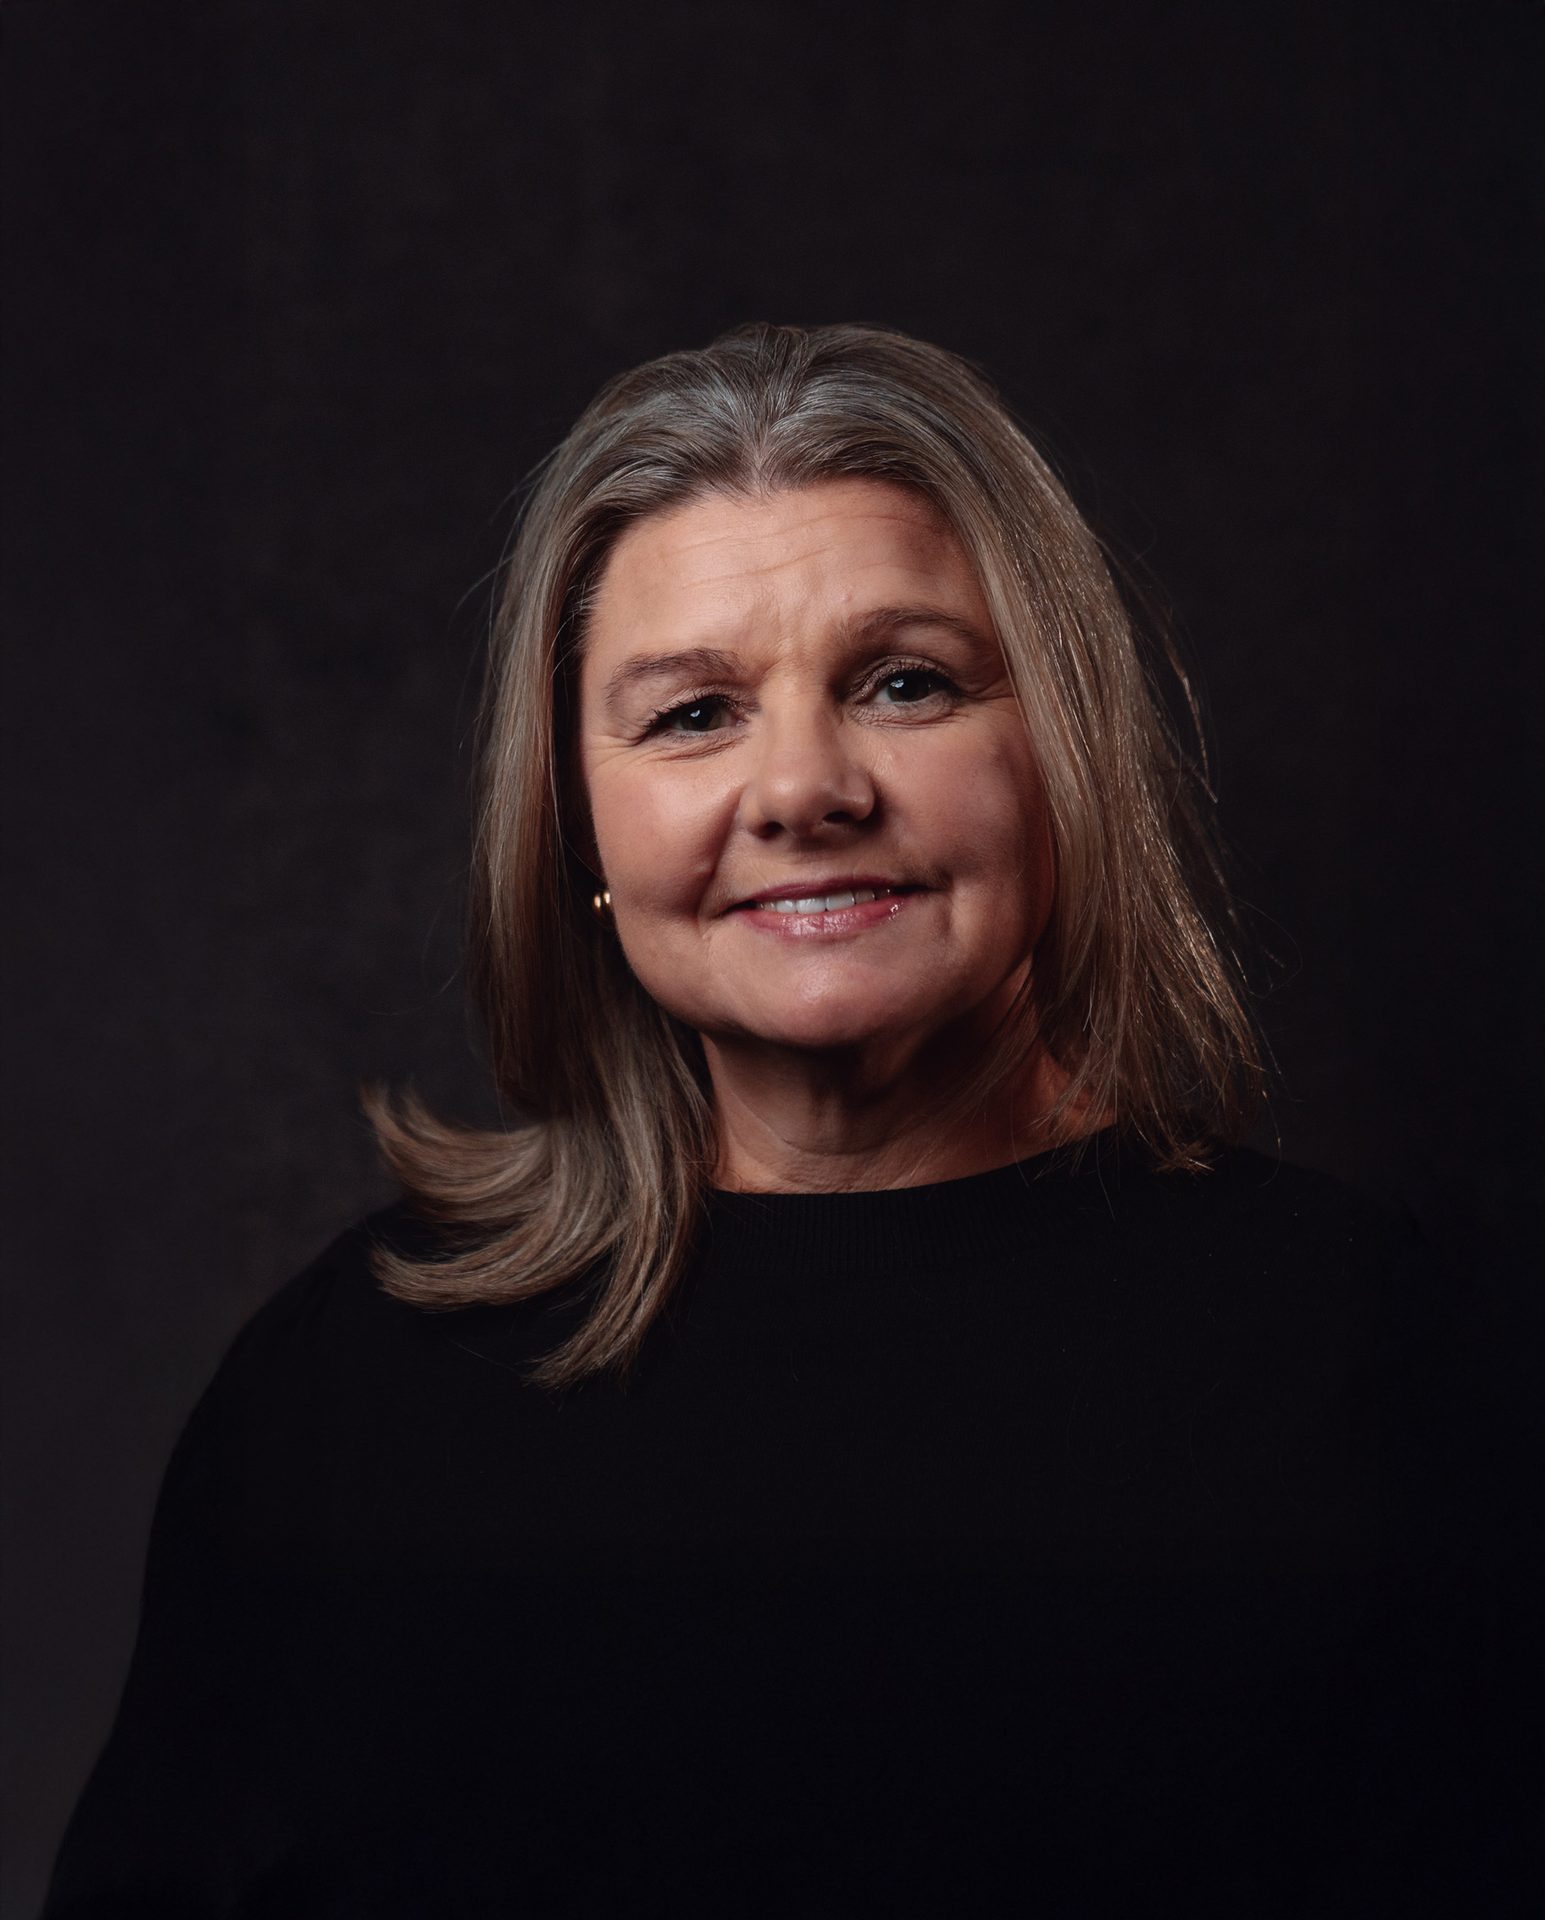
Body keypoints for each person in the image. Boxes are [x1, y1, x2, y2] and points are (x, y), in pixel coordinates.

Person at [46, 325, 1506, 1915]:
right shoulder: (344, 1394)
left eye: (905, 683)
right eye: (692, 714)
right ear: (578, 826)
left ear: (1060, 757)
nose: (804, 788)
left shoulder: (1355, 1349)